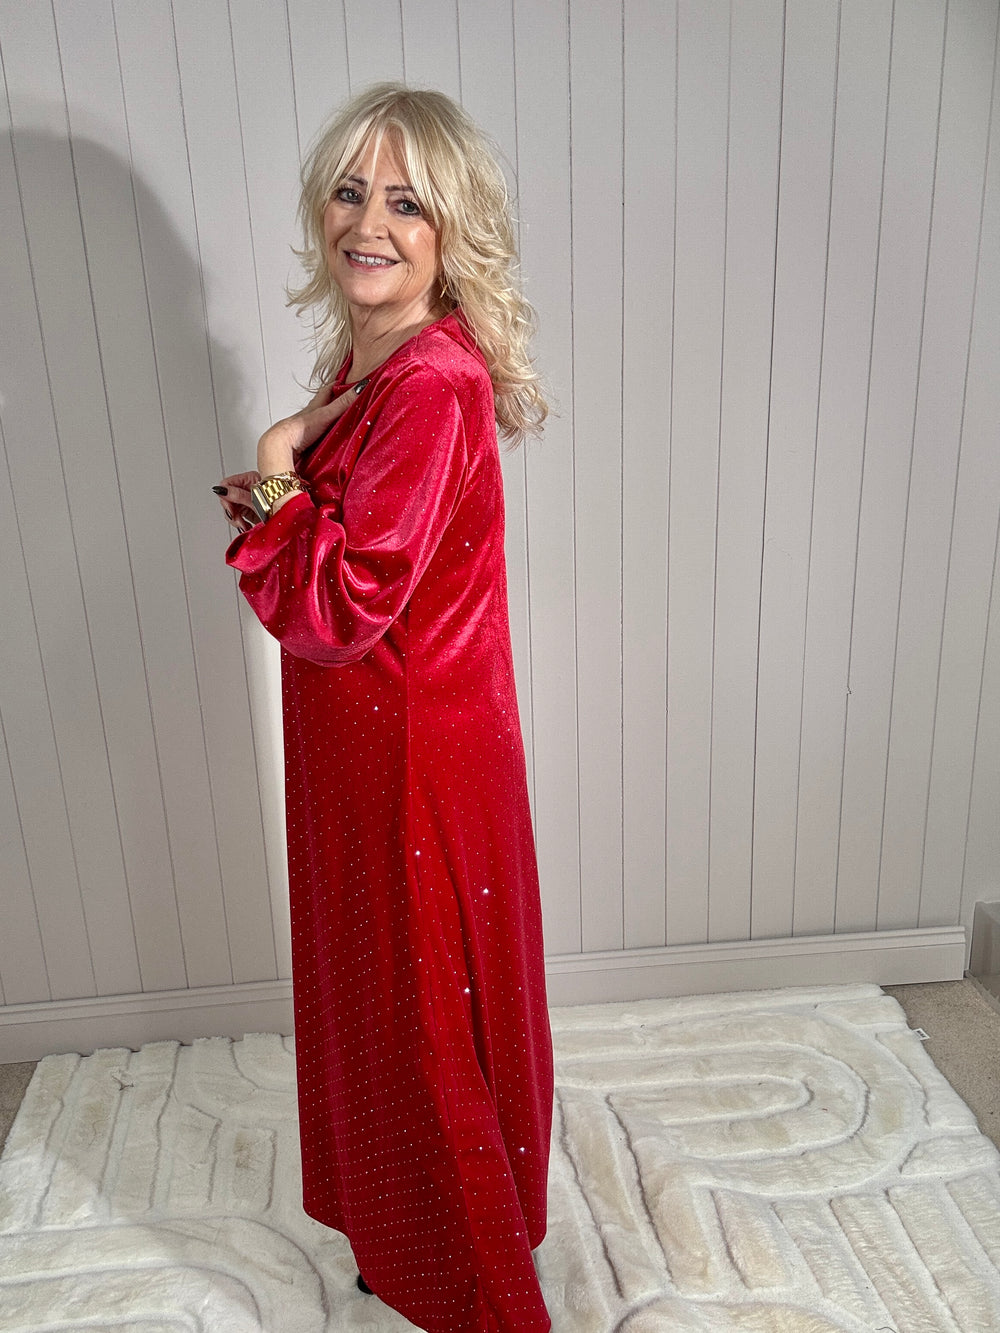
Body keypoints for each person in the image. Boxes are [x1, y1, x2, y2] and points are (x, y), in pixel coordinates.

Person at [216, 83, 553, 1333]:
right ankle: (406, 1233)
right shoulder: (376, 360)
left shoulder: (431, 383)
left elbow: (345, 601)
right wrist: (299, 463)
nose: (371, 224)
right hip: (367, 745)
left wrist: (274, 472)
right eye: (352, 193)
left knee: (422, 1018)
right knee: (386, 1000)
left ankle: (472, 1285)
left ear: (451, 228)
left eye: (407, 203)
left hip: (412, 753)